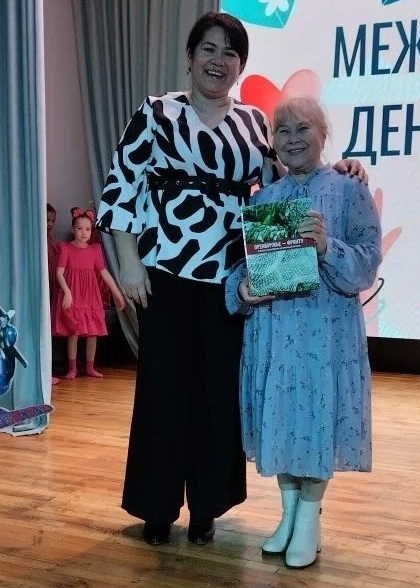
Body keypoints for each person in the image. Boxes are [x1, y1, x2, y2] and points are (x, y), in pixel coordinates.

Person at [95, 11, 367, 547]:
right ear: (190, 56)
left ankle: (207, 509)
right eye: (210, 49)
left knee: (219, 393)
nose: (219, 61)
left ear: (240, 66)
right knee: (163, 392)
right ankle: (157, 508)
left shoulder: (252, 123)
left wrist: (343, 168)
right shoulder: (156, 112)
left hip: (231, 281)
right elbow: (121, 185)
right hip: (164, 274)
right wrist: (128, 262)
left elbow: (292, 174)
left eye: (231, 53)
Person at [225, 96, 382, 568]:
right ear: (272, 141)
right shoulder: (263, 200)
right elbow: (244, 270)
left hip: (325, 336)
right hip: (273, 334)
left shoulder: (349, 189)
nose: (292, 139)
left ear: (323, 133)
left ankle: (310, 517)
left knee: (316, 419)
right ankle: (289, 514)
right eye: (283, 130)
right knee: (282, 419)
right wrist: (243, 290)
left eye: (303, 128)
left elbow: (367, 264)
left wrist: (326, 246)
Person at [53, 207, 125, 379]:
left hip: (91, 296)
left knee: (93, 332)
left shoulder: (94, 250)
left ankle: (90, 367)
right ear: (73, 229)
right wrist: (67, 292)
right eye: (80, 228)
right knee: (74, 332)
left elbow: (104, 273)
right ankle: (72, 368)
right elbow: (59, 273)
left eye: (87, 229)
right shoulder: (66, 248)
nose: (84, 232)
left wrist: (117, 293)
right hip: (74, 294)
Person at [46, 203, 60, 386]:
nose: (50, 224)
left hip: (52, 286)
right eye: (47, 220)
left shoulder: (50, 240)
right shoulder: (40, 240)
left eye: (53, 221)